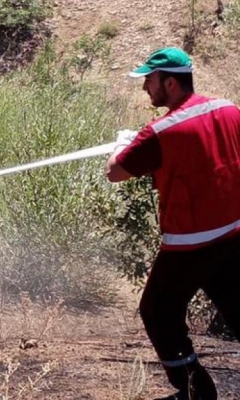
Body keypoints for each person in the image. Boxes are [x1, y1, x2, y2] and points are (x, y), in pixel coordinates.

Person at [105, 46, 240, 400]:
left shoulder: (160, 131)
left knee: (157, 311)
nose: (145, 88)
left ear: (169, 83)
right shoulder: (229, 109)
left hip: (189, 245)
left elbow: (115, 172)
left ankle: (195, 390)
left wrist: (121, 146)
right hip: (233, 234)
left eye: (149, 80)